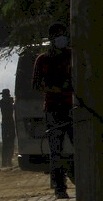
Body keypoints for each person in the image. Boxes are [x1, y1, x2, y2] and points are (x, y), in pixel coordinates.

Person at [32, 22, 74, 199]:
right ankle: (60, 188)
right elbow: (36, 86)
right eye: (58, 35)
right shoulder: (42, 60)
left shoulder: (72, 56)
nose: (62, 38)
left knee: (81, 148)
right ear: (51, 38)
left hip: (73, 109)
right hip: (53, 110)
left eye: (63, 34)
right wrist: (55, 88)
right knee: (56, 152)